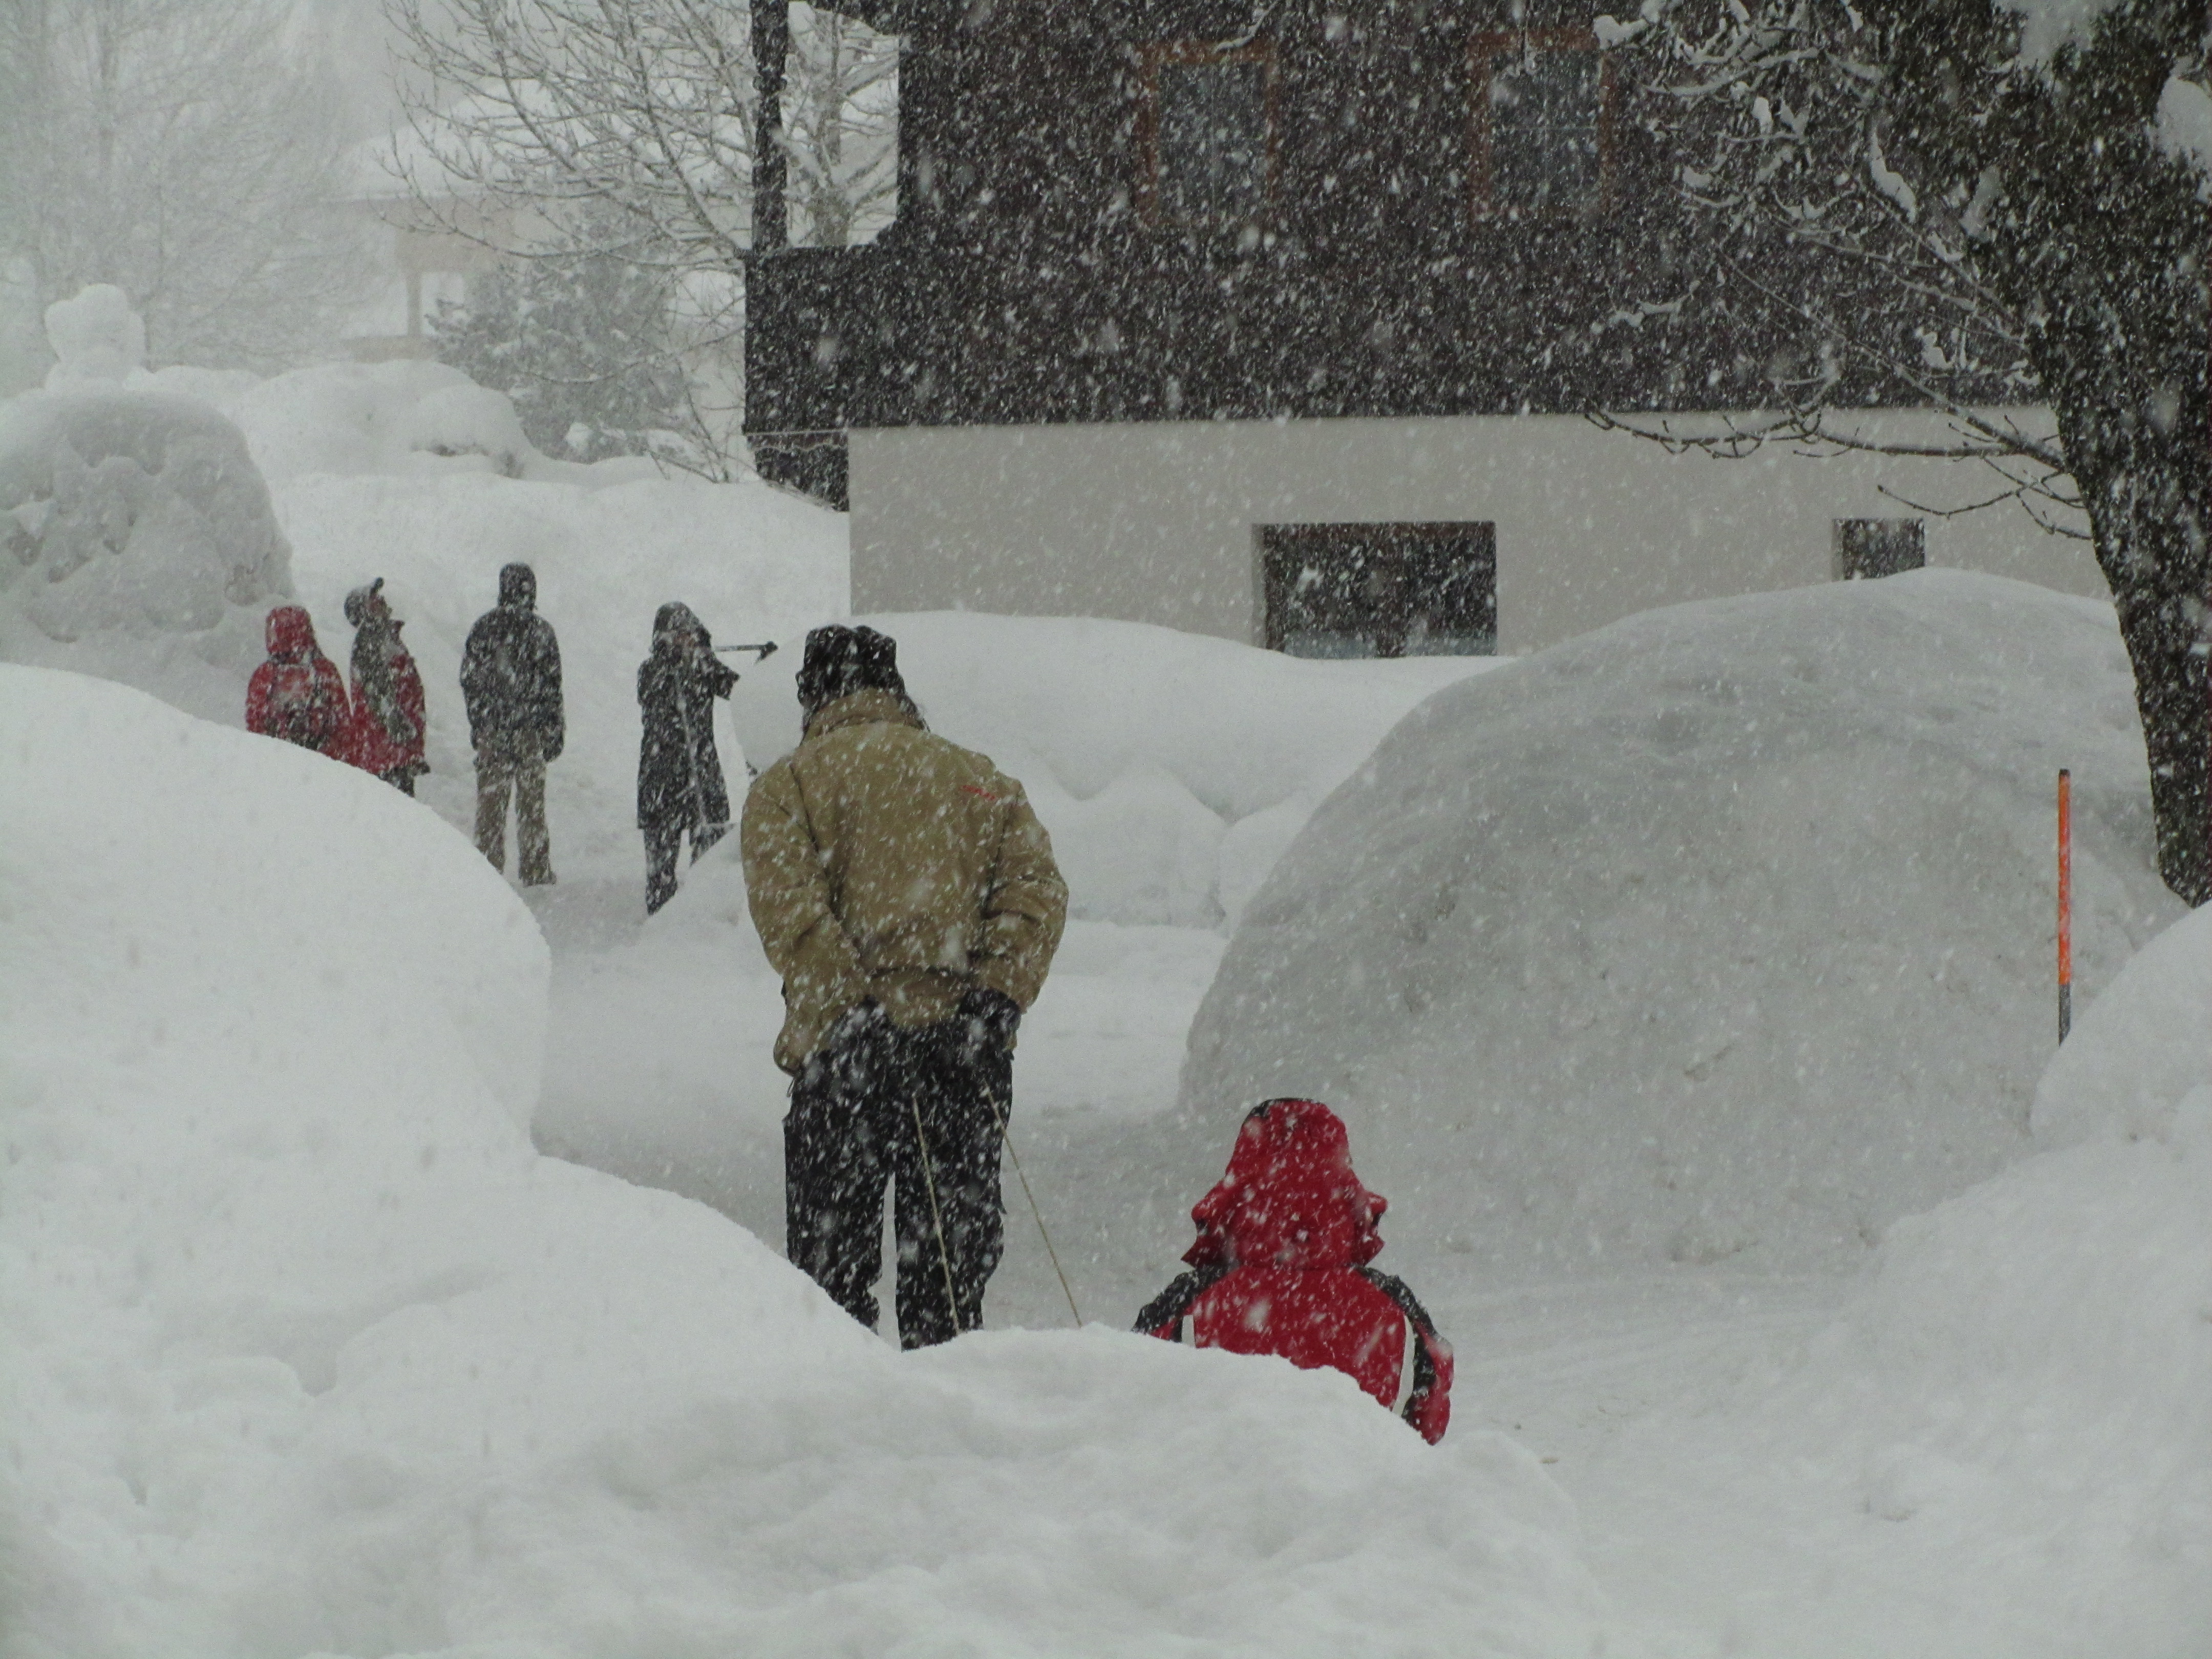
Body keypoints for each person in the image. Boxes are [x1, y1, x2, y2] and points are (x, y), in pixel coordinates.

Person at [741, 624, 1067, 1349]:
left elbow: (792, 914)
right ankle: (945, 1393)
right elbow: (1036, 891)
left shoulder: (790, 785)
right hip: (963, 1052)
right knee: (948, 1283)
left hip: (844, 1058)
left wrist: (854, 1010)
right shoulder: (979, 779)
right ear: (896, 689)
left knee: (830, 1288)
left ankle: (847, 1401)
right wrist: (992, 998)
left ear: (812, 695)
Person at [1134, 1098, 1454, 1443]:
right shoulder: (1392, 1302)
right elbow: (1430, 1422)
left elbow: (1128, 1398)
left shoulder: (1192, 1298)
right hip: (1363, 1474)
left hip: (1220, 1474)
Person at [460, 561, 563, 885]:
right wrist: (553, 729)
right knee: (532, 806)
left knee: (491, 805)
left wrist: (481, 723)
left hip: (496, 730)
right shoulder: (541, 631)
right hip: (529, 730)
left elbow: (470, 681)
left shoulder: (485, 628)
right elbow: (552, 687)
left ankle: (487, 873)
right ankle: (536, 869)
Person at [637, 601, 741, 914]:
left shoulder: (704, 666)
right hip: (661, 773)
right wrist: (677, 666)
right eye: (679, 634)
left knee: (711, 853)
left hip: (702, 769)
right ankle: (660, 918)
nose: (687, 639)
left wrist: (765, 665)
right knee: (661, 861)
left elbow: (739, 691)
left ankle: (704, 915)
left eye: (691, 633)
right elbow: (653, 702)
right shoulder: (651, 670)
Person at [343, 579, 429, 795]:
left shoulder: (384, 637)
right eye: (373, 598)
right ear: (364, 611)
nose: (381, 599)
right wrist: (399, 725)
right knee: (396, 808)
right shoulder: (371, 640)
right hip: (386, 751)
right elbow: (376, 691)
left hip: (389, 750)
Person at [245, 604, 350, 758]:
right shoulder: (324, 670)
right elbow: (343, 722)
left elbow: (255, 725)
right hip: (323, 760)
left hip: (277, 758)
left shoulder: (264, 675)